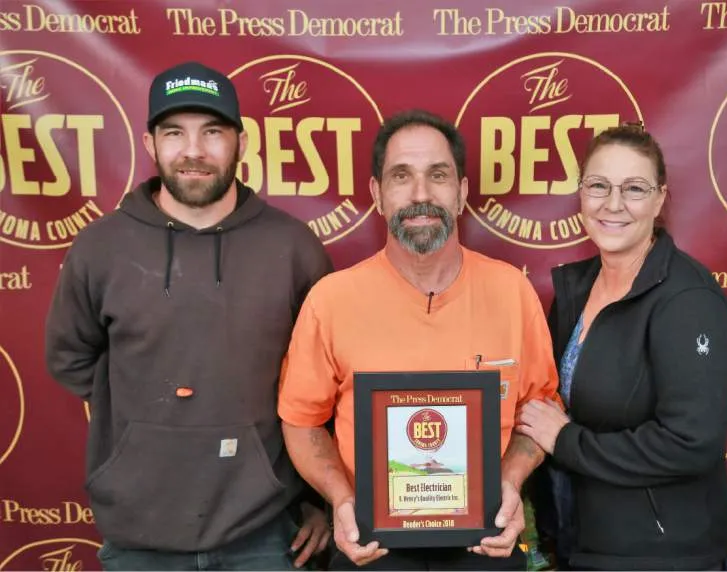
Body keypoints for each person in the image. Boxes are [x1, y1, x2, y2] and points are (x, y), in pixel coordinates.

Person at [45, 61, 333, 571]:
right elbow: (72, 358)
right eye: (174, 132)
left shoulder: (293, 249)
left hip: (265, 533)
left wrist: (319, 497)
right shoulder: (101, 247)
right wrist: (147, 426)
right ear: (151, 144)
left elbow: (325, 386)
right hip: (138, 534)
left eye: (212, 132)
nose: (194, 151)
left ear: (241, 144)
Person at [277, 109, 560, 571]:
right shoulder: (332, 299)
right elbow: (302, 421)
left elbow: (541, 412)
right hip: (371, 548)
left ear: (463, 191)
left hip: (485, 543)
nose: (421, 194)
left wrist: (509, 482)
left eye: (439, 175)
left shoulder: (512, 291)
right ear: (377, 194)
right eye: (401, 176)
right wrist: (342, 498)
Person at [518, 123, 727, 570]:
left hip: (665, 557)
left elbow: (691, 442)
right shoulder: (576, 290)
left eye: (634, 188)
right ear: (580, 193)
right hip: (585, 545)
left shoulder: (687, 299)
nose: (612, 204)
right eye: (598, 185)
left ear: (659, 199)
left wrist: (566, 441)